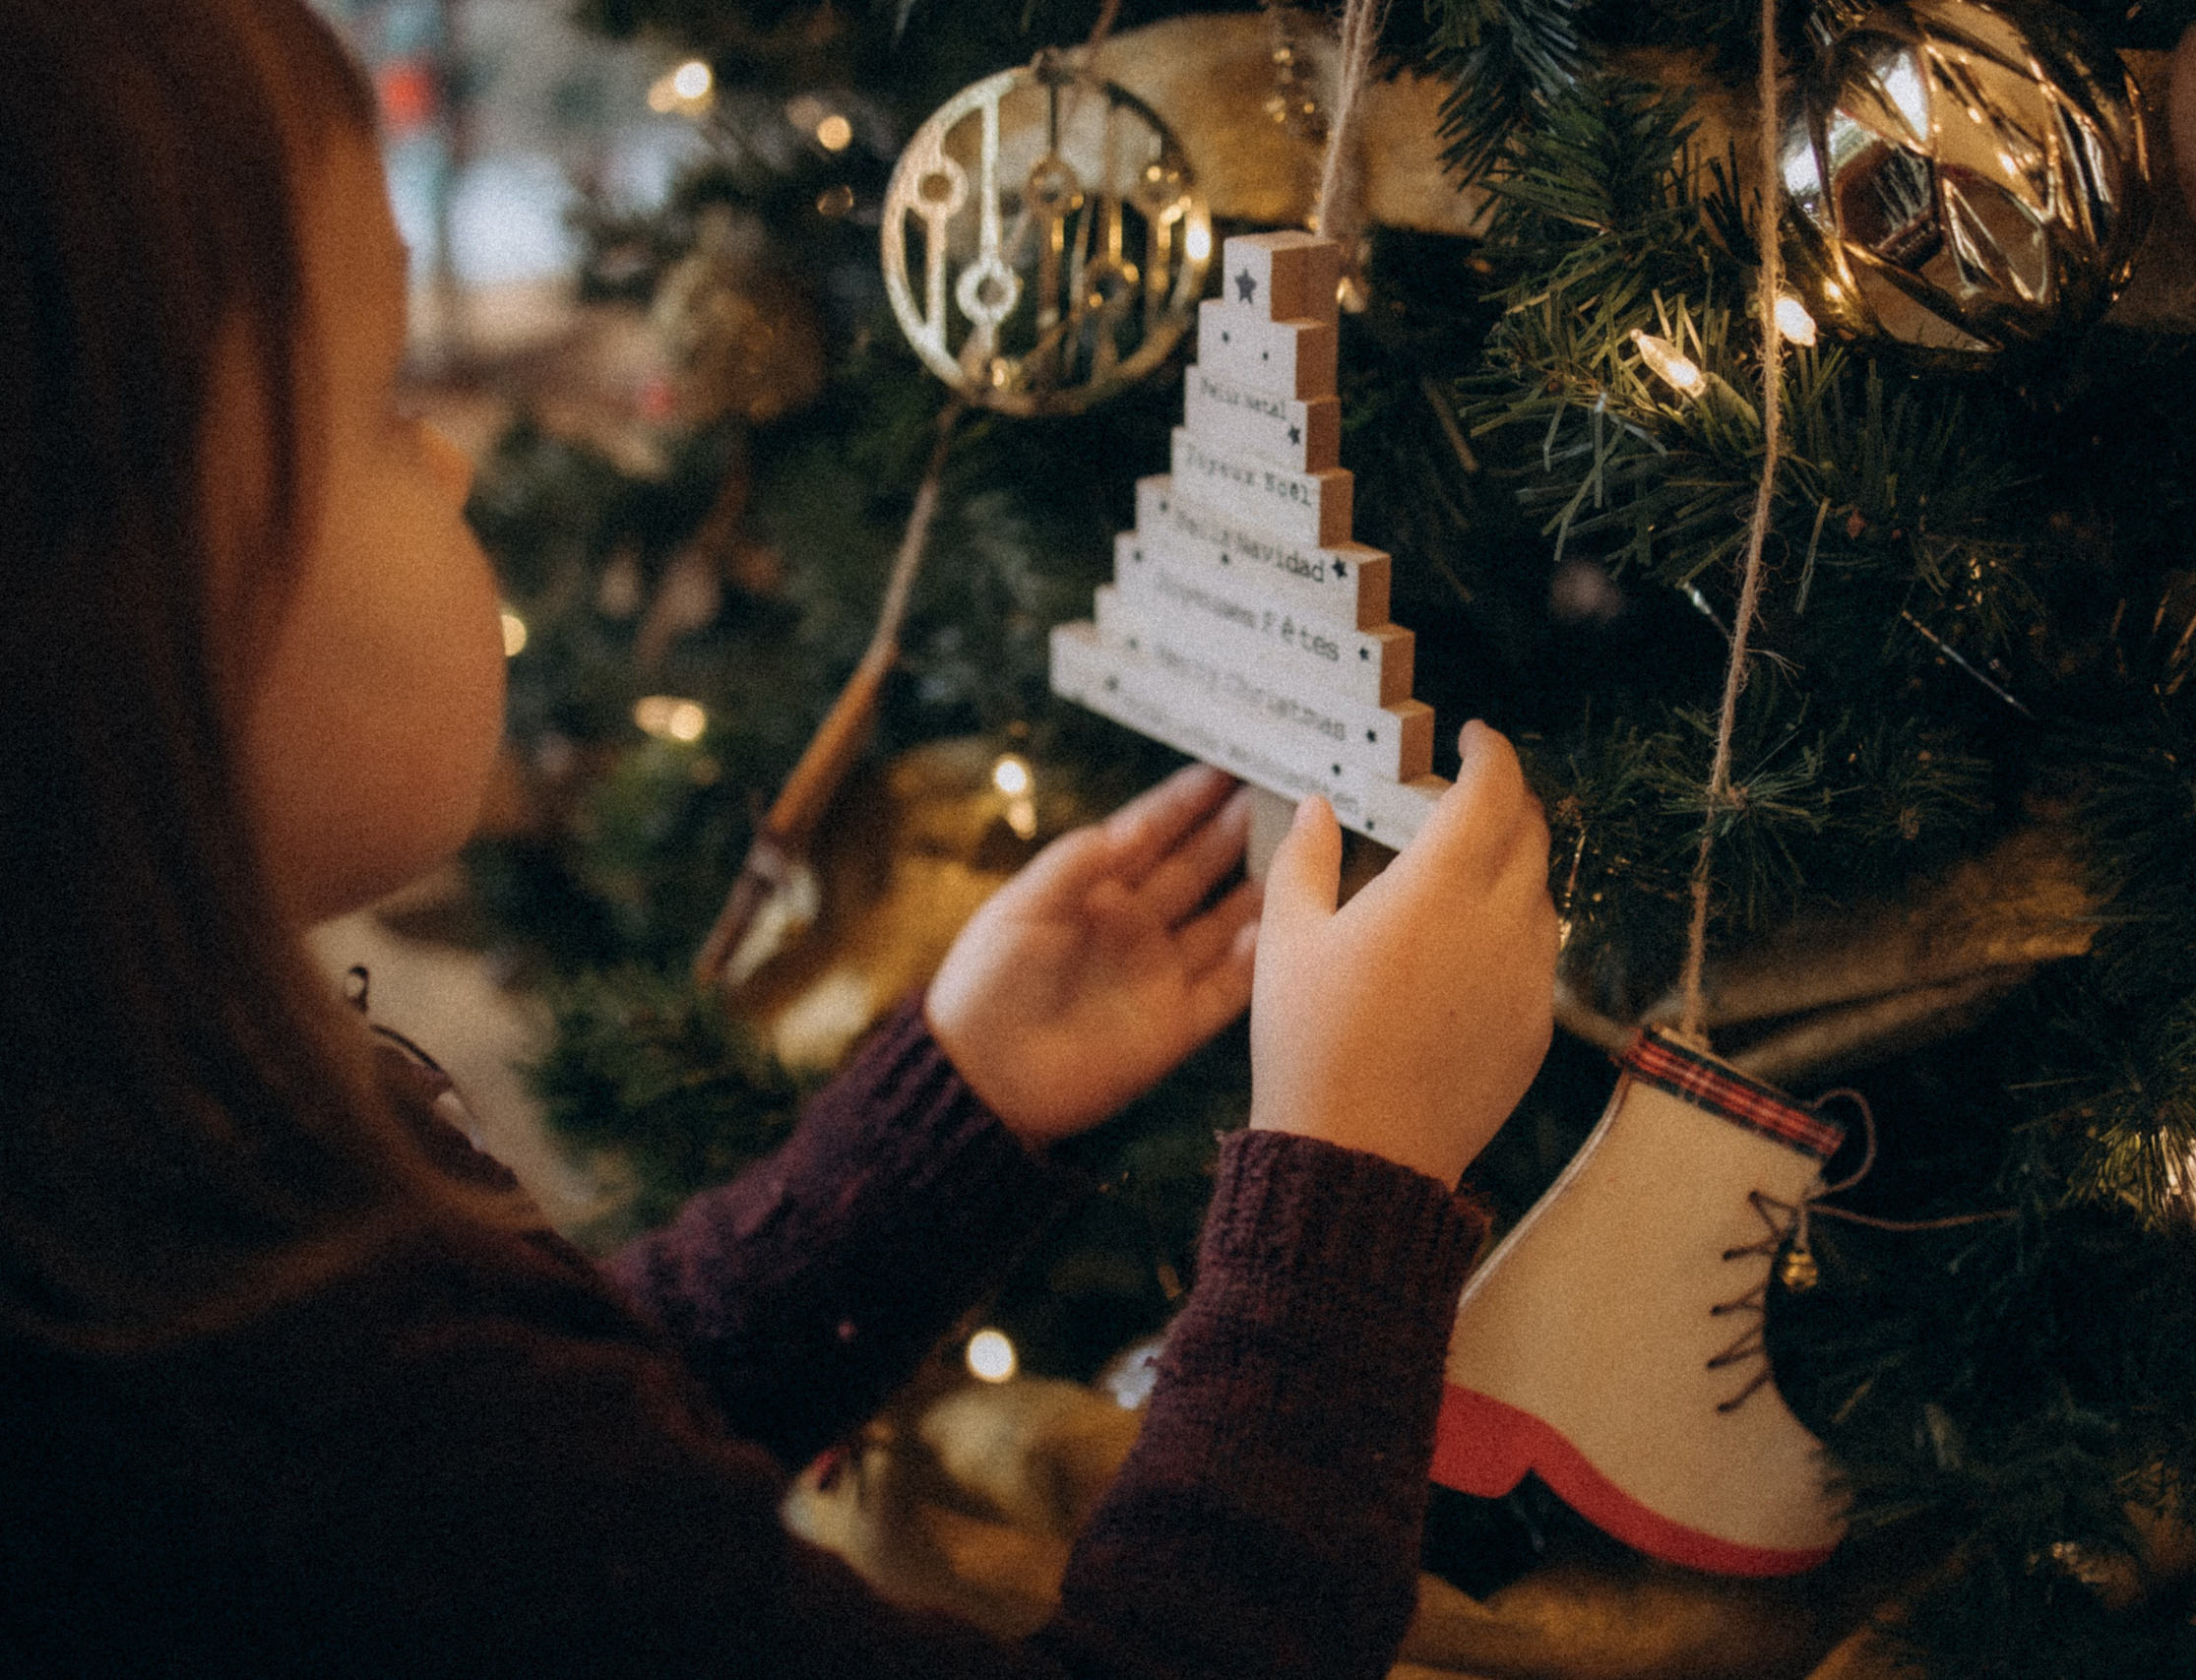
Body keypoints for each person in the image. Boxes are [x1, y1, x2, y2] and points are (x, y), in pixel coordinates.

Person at [0, 1, 1560, 1674]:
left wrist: (948, 1118)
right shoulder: (241, 1398)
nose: (455, 461)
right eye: (383, 404)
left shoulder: (147, 1207)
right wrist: (1350, 1185)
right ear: (105, 618)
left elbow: (560, 1501)